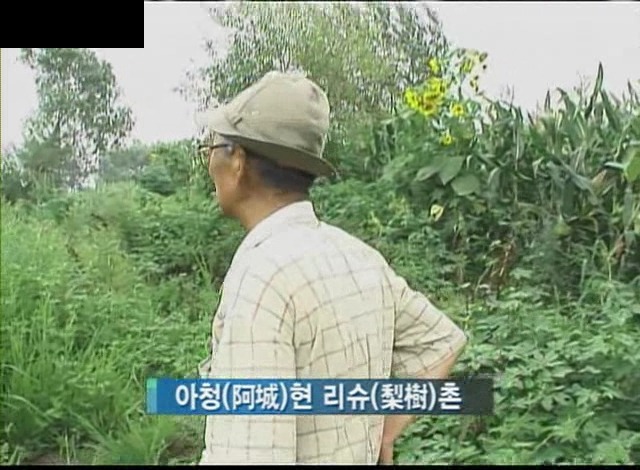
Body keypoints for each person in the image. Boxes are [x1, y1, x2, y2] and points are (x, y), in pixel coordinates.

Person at [194, 71, 468, 465]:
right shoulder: (357, 256)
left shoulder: (262, 278)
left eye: (212, 146)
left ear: (237, 161)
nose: (208, 160)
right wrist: (383, 432)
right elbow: (441, 341)